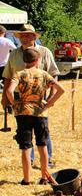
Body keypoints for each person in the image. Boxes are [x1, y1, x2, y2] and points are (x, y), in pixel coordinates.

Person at [2, 24, 60, 167]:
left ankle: (48, 160)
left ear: (34, 37)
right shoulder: (14, 54)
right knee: (24, 130)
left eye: (28, 35)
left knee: (42, 128)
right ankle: (31, 159)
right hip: (19, 97)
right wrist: (5, 98)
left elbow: (53, 74)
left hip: (40, 97)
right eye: (22, 36)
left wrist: (51, 98)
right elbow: (8, 77)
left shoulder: (44, 52)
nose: (25, 38)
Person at [5, 47, 64, 185]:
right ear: (38, 60)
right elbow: (61, 90)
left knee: (26, 146)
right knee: (42, 144)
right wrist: (49, 103)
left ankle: (27, 179)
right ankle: (44, 177)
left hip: (23, 113)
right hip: (40, 113)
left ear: (24, 60)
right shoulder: (44, 74)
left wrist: (15, 103)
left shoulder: (19, 74)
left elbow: (9, 90)